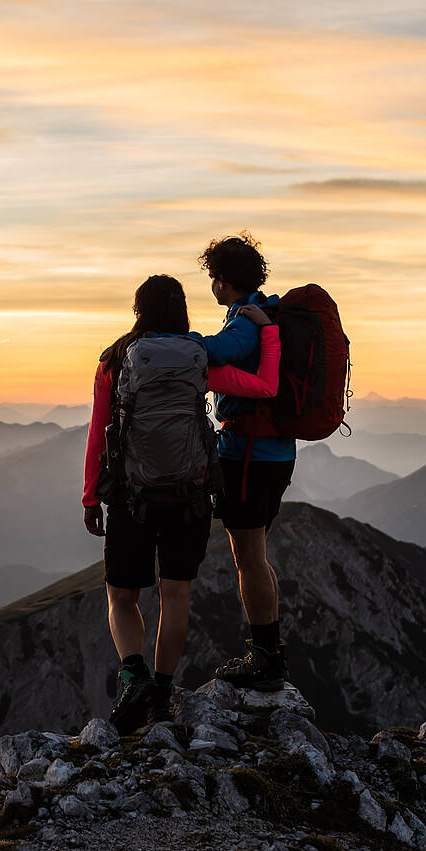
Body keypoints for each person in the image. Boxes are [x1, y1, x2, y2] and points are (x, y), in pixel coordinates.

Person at [83, 274, 279, 733]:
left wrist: (92, 495)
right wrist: (268, 333)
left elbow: (98, 432)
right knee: (177, 596)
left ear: (138, 312)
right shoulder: (198, 358)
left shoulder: (116, 360)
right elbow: (265, 387)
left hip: (131, 497)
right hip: (190, 496)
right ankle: (163, 693)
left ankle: (134, 676)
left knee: (122, 596)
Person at [195, 232, 295, 691]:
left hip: (248, 456)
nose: (211, 284)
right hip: (275, 452)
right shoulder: (265, 311)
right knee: (256, 556)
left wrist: (177, 338)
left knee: (248, 559)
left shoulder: (247, 322)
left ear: (224, 281)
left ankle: (265, 657)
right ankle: (268, 650)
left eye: (214, 276)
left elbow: (219, 351)